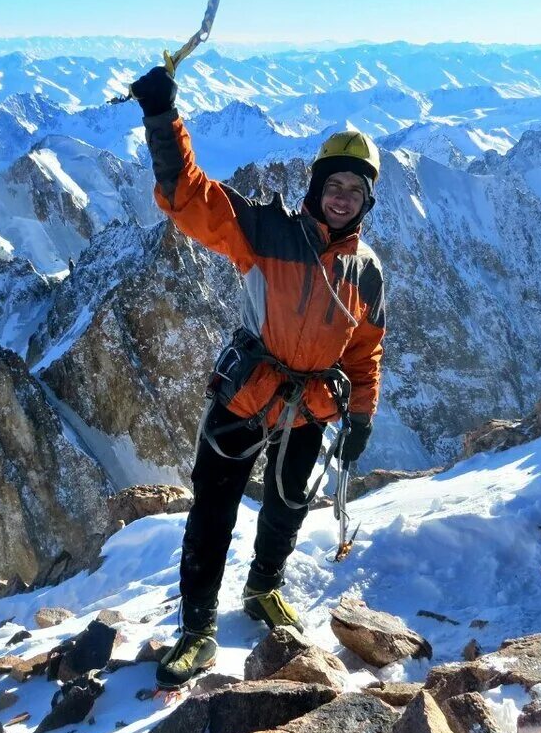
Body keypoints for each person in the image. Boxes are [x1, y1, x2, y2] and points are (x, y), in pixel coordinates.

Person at [130, 66, 386, 689]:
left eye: (355, 188)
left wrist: (361, 415)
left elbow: (365, 349)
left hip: (314, 400)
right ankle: (197, 629)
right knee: (213, 507)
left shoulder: (367, 272)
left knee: (289, 502)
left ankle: (264, 586)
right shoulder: (269, 231)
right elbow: (190, 200)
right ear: (317, 186)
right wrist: (163, 119)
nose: (342, 196)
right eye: (334, 183)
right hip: (250, 388)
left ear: (366, 200)